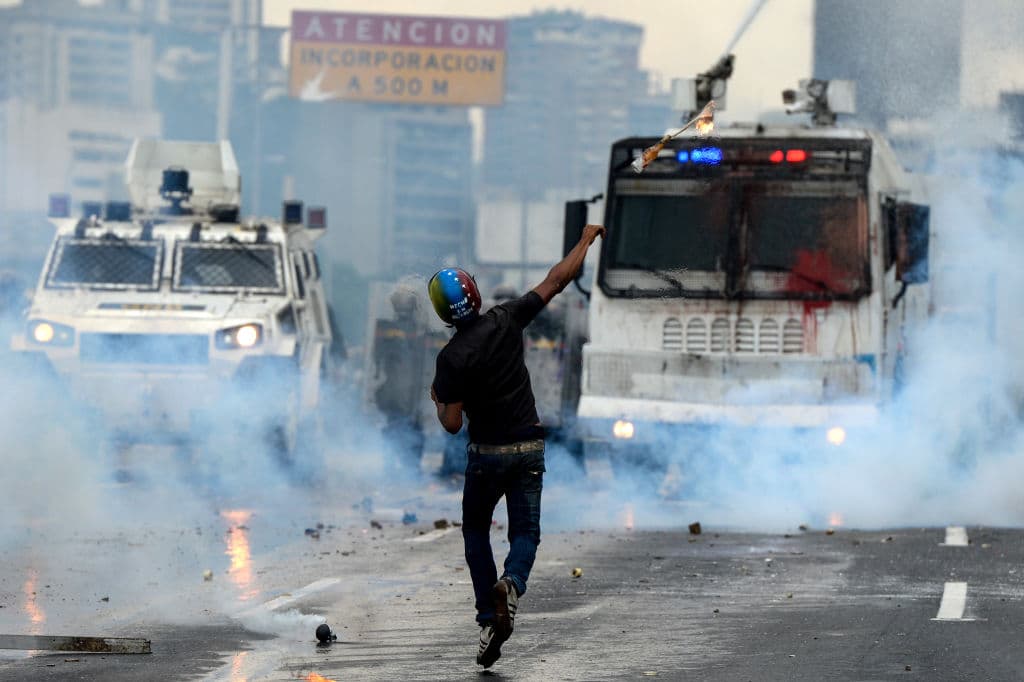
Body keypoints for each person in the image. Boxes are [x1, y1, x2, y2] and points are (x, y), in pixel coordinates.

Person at [428, 223, 606, 668]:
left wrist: (439, 401)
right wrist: (584, 240)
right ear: (476, 294)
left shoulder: (450, 359)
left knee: (475, 533)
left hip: (485, 455)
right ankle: (512, 582)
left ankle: (489, 617)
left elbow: (451, 425)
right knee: (526, 534)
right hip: (528, 448)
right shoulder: (507, 318)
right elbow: (557, 280)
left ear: (443, 313)